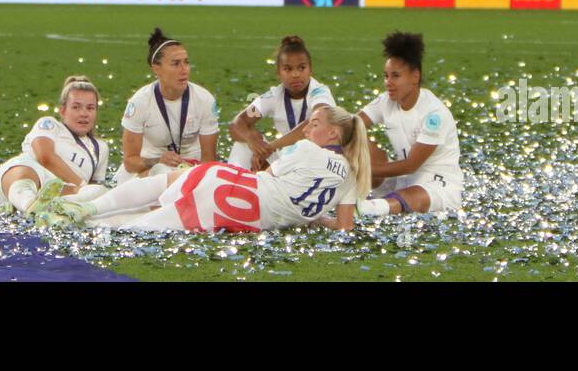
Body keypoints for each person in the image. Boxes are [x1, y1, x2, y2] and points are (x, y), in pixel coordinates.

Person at [41, 103, 368, 233]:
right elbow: (344, 226)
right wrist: (307, 217)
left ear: (333, 134)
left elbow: (268, 177)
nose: (308, 131)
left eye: (313, 125)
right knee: (145, 224)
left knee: (158, 189)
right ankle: (86, 222)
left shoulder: (308, 149)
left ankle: (82, 209)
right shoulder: (352, 173)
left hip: (239, 190)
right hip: (250, 215)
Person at [356, 32, 462, 219]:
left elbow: (411, 165)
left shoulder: (433, 114)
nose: (388, 83)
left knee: (410, 197)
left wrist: (363, 170)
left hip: (435, 183)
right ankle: (375, 203)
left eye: (395, 76)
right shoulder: (386, 101)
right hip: (400, 180)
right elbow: (352, 125)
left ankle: (365, 208)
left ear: (415, 77)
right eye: (386, 76)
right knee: (354, 138)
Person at [113, 27, 219, 185]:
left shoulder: (204, 100)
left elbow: (209, 159)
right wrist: (157, 161)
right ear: (157, 69)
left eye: (186, 62)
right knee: (160, 173)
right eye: (176, 64)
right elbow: (130, 162)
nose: (184, 70)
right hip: (147, 169)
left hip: (192, 168)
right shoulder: (140, 102)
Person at [0, 75, 110, 217]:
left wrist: (83, 191)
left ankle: (51, 211)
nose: (84, 114)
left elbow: (96, 188)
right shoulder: (49, 125)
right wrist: (82, 186)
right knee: (25, 172)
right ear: (63, 111)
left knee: (100, 192)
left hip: (67, 192)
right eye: (76, 107)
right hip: (29, 176)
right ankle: (29, 205)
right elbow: (45, 157)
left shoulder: (100, 148)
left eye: (90, 108)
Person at [227, 36, 335, 171]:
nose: (295, 74)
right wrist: (253, 141)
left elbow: (315, 123)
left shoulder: (320, 92)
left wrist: (271, 146)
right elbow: (237, 123)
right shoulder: (273, 96)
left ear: (310, 69)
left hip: (318, 161)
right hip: (287, 160)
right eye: (288, 69)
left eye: (301, 68)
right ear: (278, 72)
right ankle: (232, 187)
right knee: (242, 145)